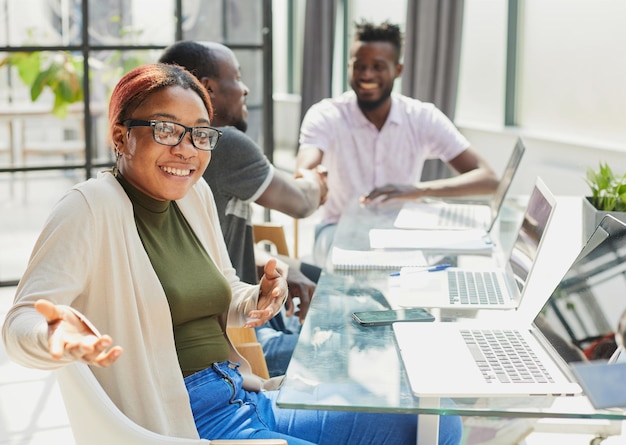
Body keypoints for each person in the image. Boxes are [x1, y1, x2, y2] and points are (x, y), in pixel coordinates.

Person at [1, 63, 462, 444]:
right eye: (166, 130)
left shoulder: (193, 195)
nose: (186, 150)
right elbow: (20, 322)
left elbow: (225, 292)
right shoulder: (89, 207)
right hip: (185, 420)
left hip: (241, 394)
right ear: (121, 137)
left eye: (200, 134)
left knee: (437, 421)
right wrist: (55, 337)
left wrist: (256, 299)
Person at [159, 41, 327, 377]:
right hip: (237, 335)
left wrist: (274, 263)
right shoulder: (223, 143)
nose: (245, 88)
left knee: (322, 285)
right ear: (208, 89)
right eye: (236, 77)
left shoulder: (188, 159)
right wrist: (314, 178)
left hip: (244, 301)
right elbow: (301, 202)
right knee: (342, 341)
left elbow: (207, 248)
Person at [297, 20, 499, 266]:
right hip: (337, 230)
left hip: (402, 234)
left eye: (377, 66)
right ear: (349, 67)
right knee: (364, 268)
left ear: (398, 69)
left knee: (453, 262)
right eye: (359, 66)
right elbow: (306, 167)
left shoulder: (422, 117)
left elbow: (488, 178)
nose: (367, 75)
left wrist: (419, 190)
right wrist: (310, 178)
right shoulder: (326, 115)